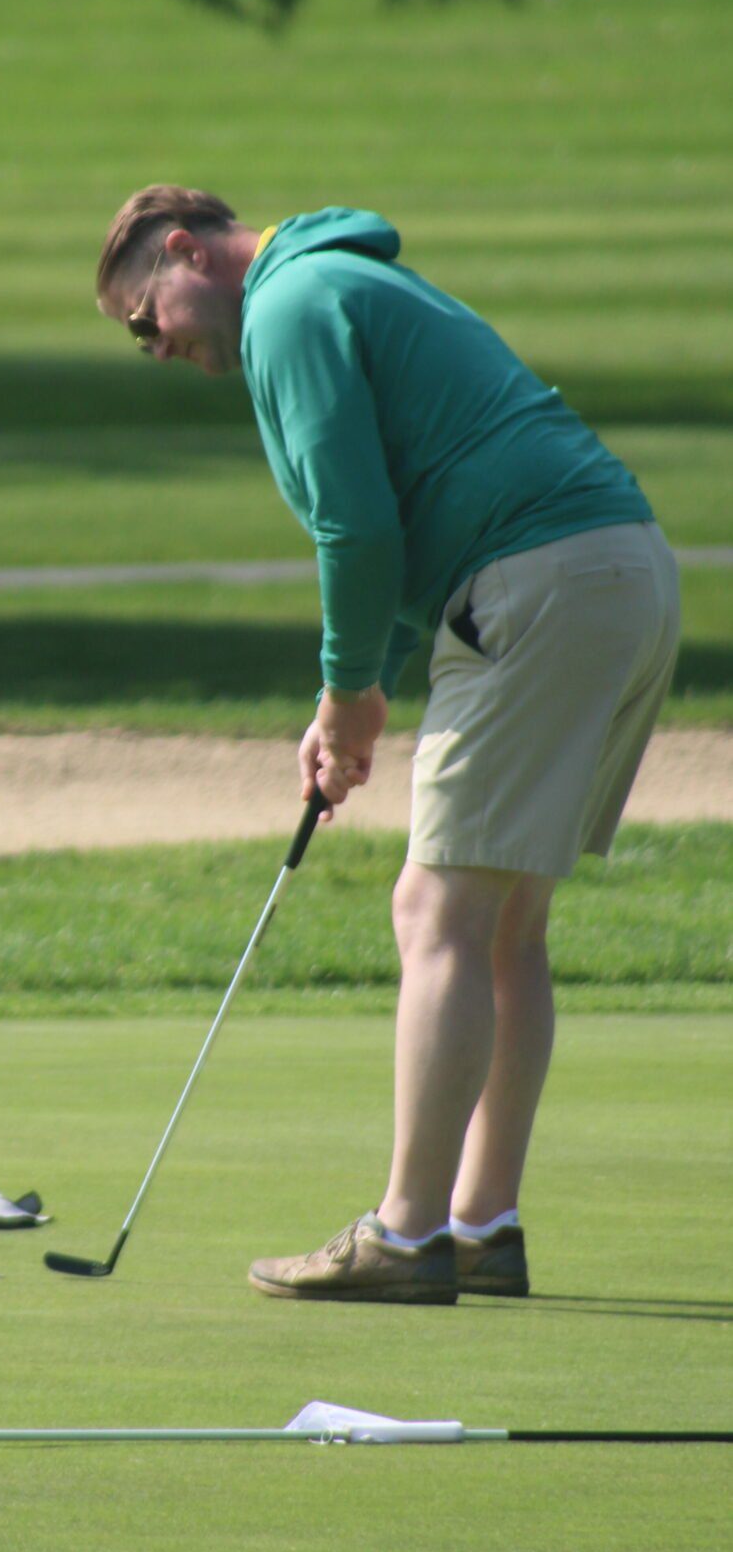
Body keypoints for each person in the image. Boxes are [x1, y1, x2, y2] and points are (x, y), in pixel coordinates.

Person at [96, 186, 680, 1304]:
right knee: (507, 920)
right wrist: (360, 692)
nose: (154, 346)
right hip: (620, 566)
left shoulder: (291, 302)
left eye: (144, 319)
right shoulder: (343, 280)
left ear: (184, 250)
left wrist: (347, 692)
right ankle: (479, 1223)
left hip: (544, 574)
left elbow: (354, 525)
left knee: (436, 909)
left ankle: (409, 1235)